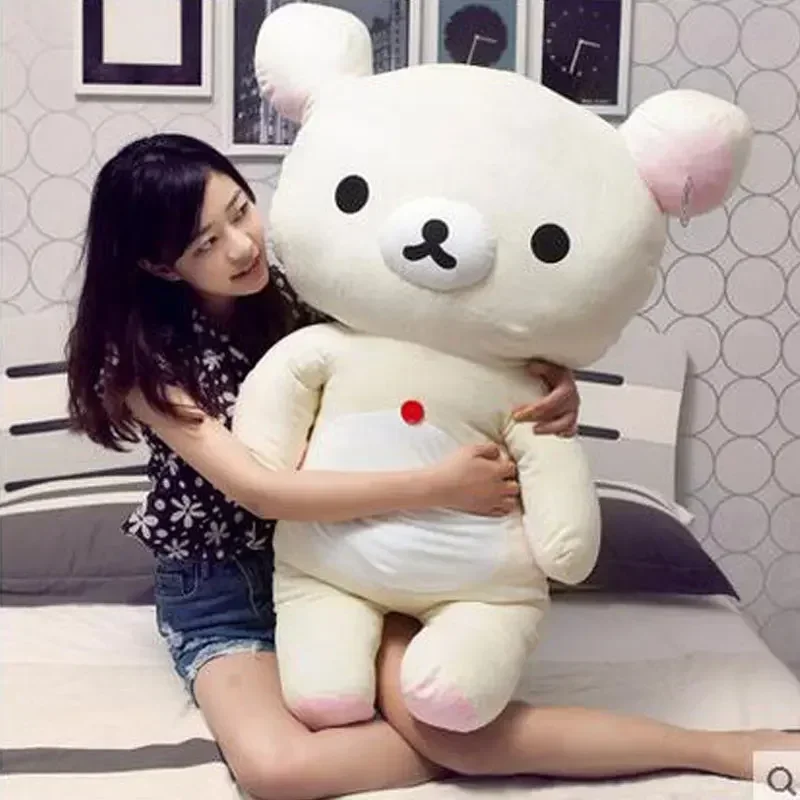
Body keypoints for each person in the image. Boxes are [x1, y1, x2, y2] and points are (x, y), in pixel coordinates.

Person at [65, 134, 795, 800]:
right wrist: (437, 486)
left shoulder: (304, 289)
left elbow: (437, 345)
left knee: (451, 729)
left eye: (240, 210)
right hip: (224, 589)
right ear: (158, 265)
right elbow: (261, 491)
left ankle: (721, 749)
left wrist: (542, 381)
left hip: (351, 559)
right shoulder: (141, 364)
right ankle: (502, 754)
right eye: (206, 243)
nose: (241, 244)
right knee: (277, 771)